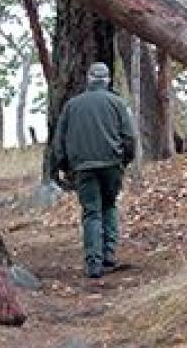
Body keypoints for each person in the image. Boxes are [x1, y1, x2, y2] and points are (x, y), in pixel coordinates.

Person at [49, 62, 136, 279]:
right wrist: (125, 160)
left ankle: (93, 264)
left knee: (91, 213)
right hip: (111, 165)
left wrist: (61, 167)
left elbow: (58, 141)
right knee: (109, 206)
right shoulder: (117, 103)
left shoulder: (72, 106)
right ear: (107, 80)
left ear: (89, 79)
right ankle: (108, 254)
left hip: (83, 168)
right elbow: (130, 137)